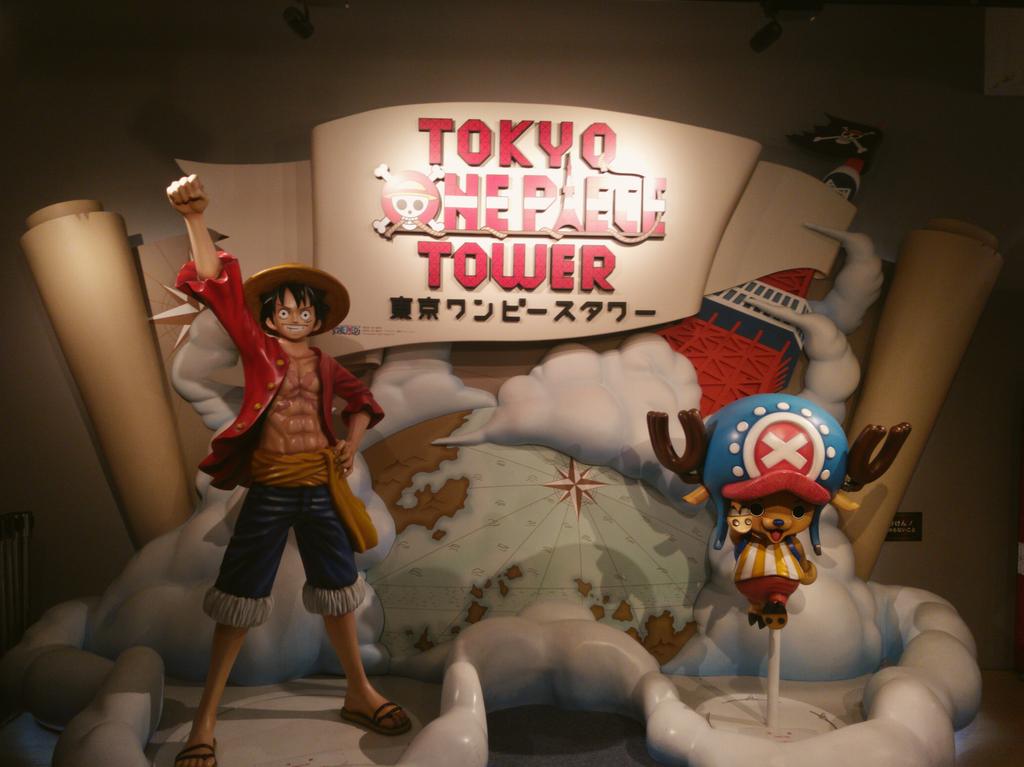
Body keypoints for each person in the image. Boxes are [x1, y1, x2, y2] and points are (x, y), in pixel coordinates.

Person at [167, 175, 409, 767]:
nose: (296, 316)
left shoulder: (326, 364)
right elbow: (220, 289)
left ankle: (358, 691)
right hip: (272, 488)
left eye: (305, 309)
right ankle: (204, 719)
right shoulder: (258, 350)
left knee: (339, 590)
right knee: (238, 597)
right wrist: (195, 218)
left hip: (321, 487)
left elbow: (364, 403)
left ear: (316, 317)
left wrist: (351, 443)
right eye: (286, 308)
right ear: (270, 317)